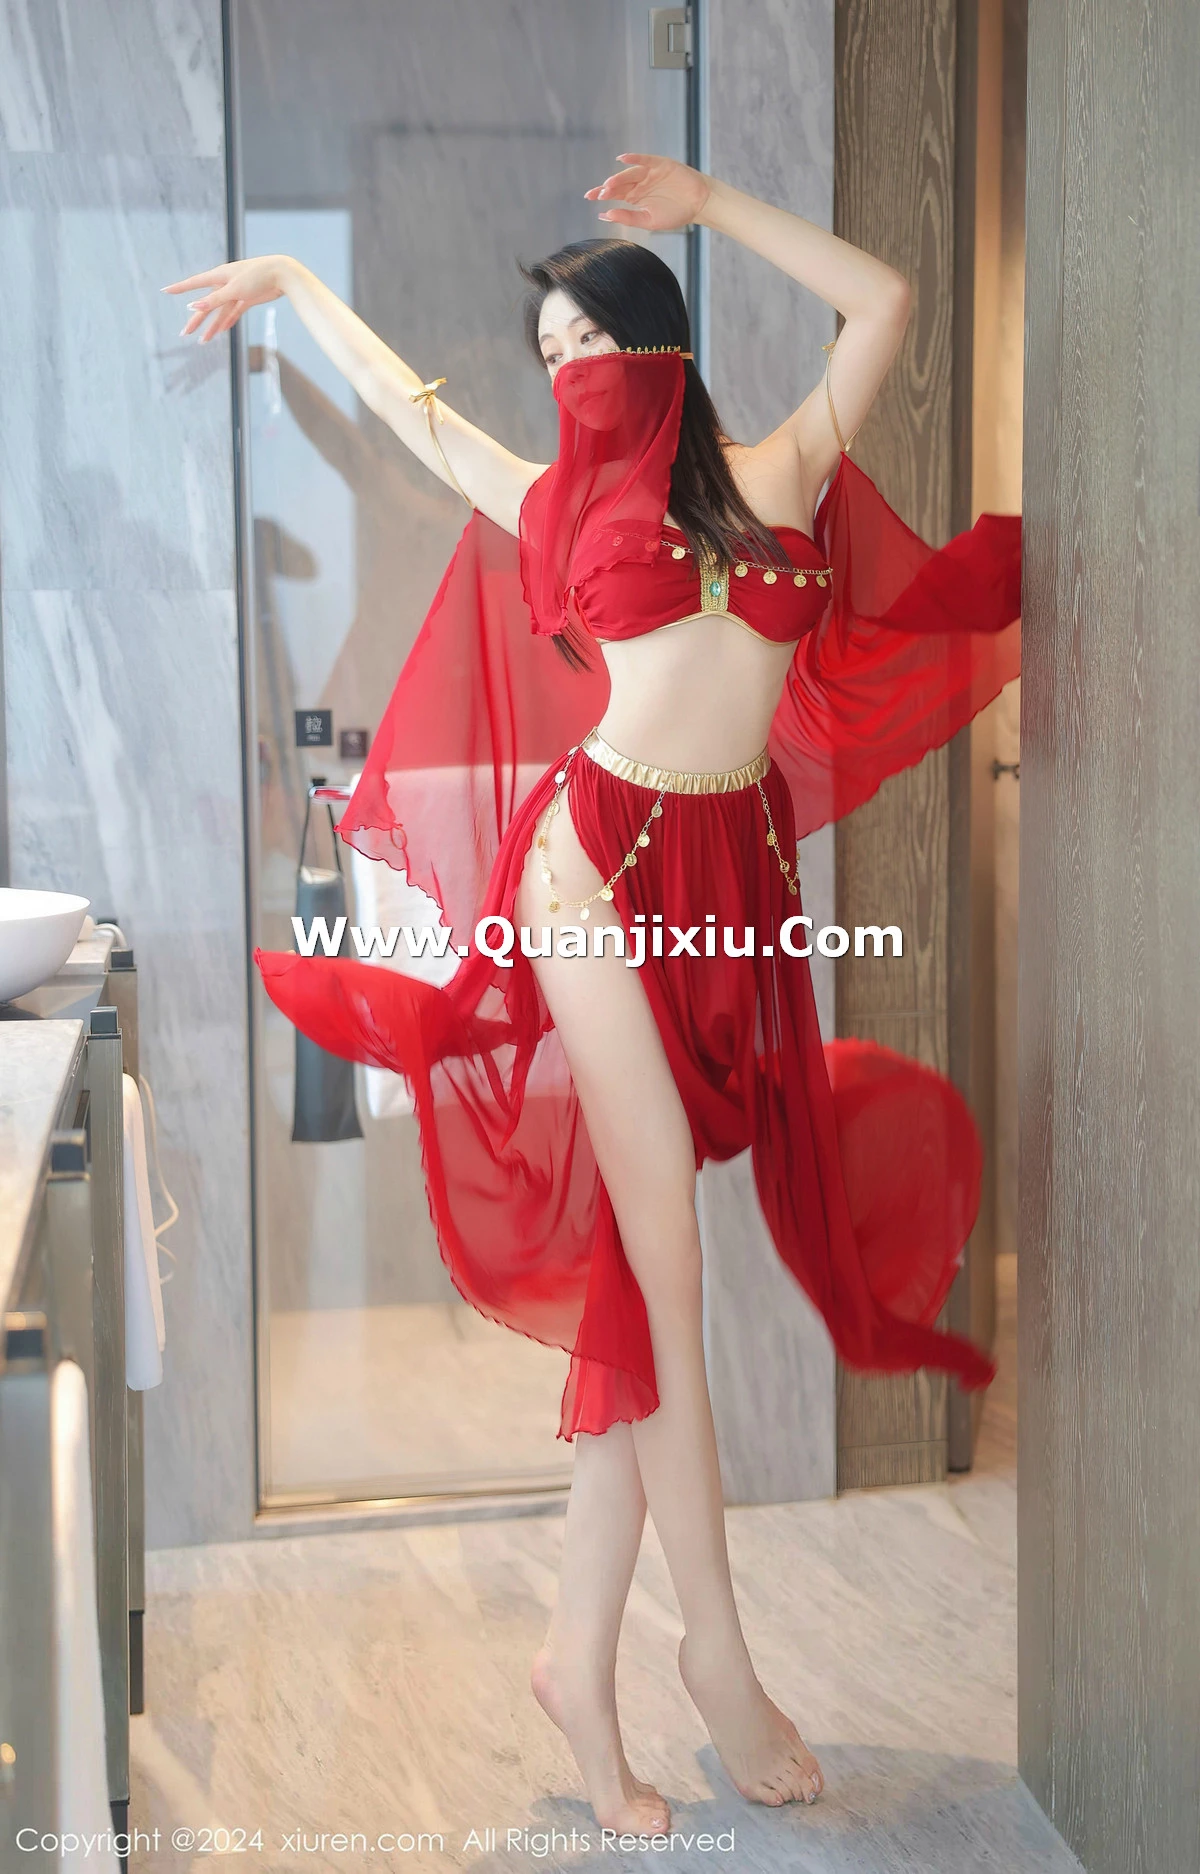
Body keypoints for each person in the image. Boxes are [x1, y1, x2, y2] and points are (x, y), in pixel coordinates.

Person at [165, 152, 1020, 1836]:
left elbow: (887, 301)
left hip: (732, 885)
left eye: (587, 341)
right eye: (546, 353)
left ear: (661, 342)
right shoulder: (558, 506)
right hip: (596, 872)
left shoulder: (780, 468)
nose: (565, 372)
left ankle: (574, 1653)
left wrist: (714, 207)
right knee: (670, 1272)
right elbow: (414, 416)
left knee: (642, 1278)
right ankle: (717, 1656)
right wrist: (297, 285)